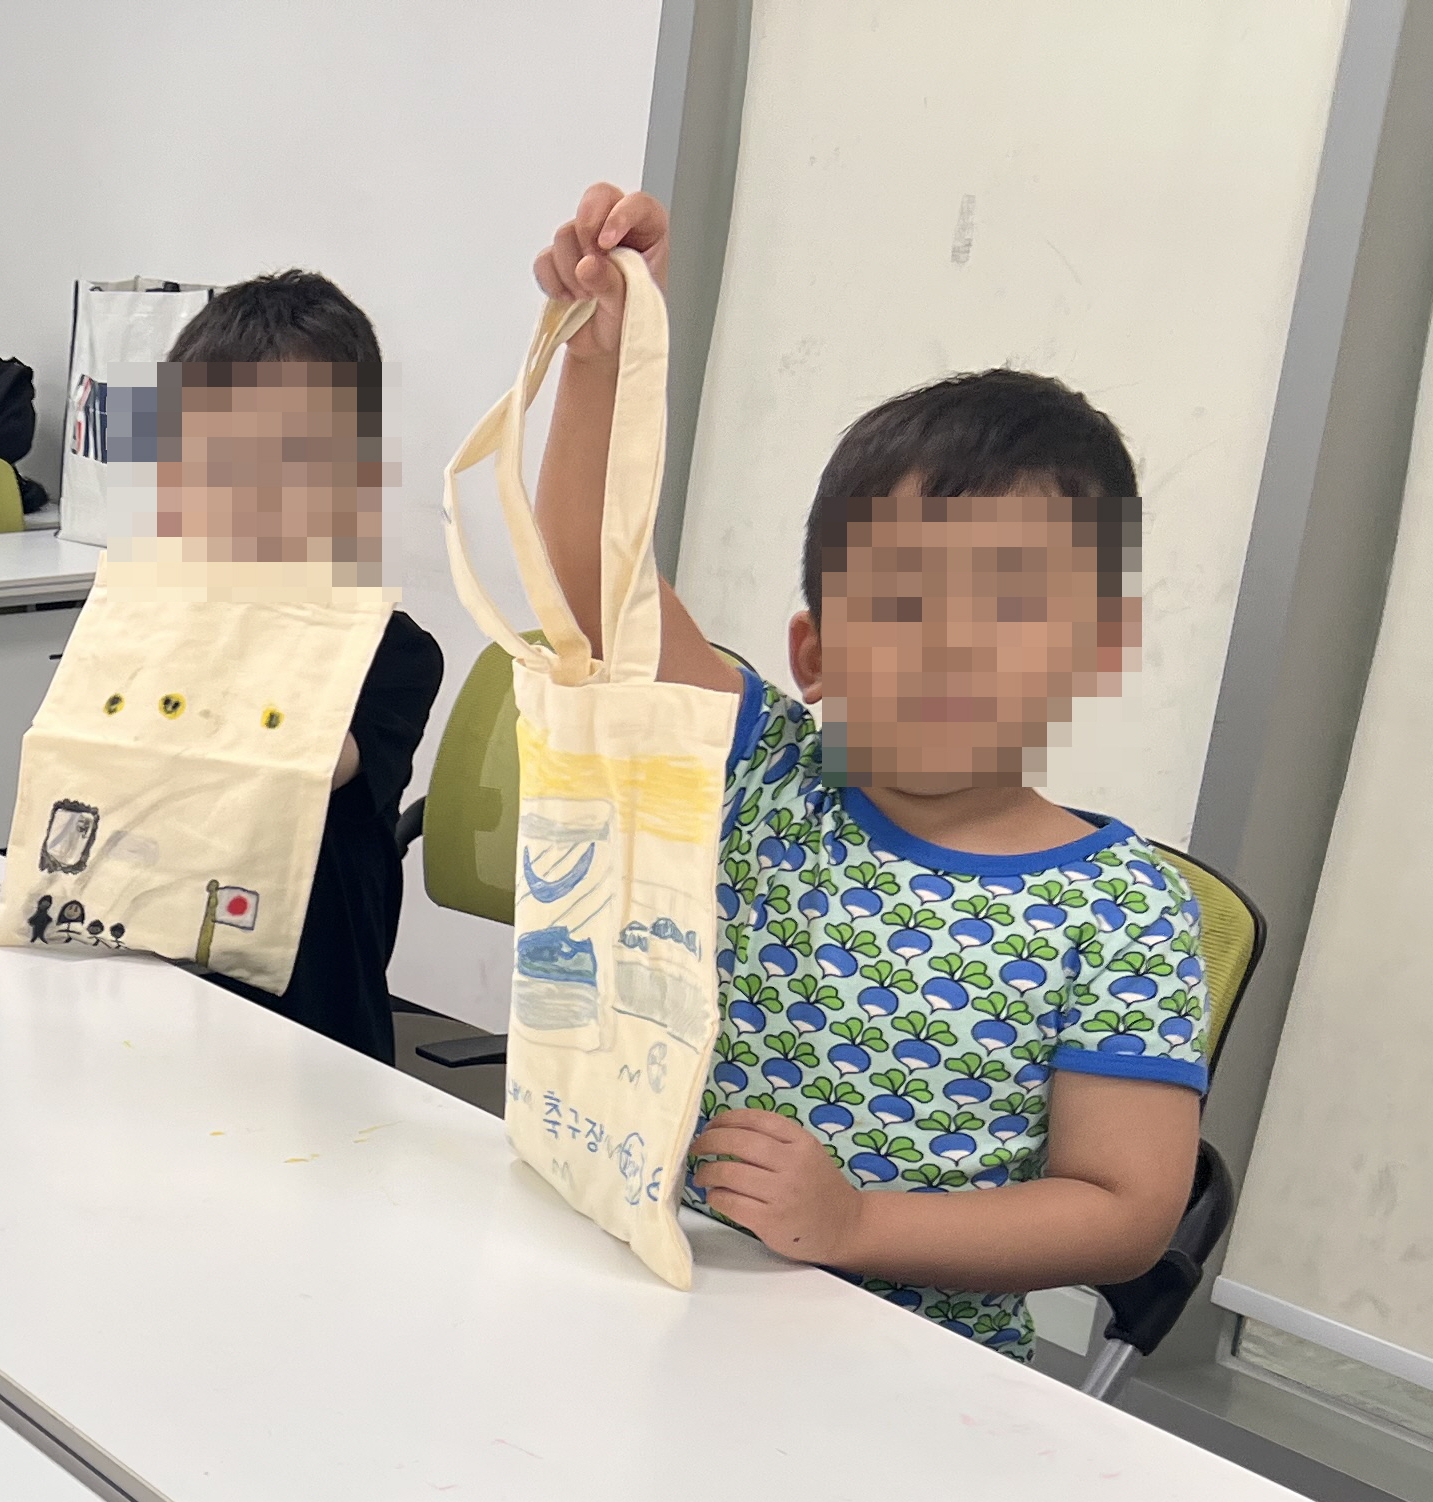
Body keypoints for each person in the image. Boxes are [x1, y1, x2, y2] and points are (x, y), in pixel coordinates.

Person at [528, 186, 1206, 1355]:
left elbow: (1125, 1212)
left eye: (1011, 607)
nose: (951, 646)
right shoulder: (762, 769)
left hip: (915, 1374)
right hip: (661, 1298)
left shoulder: (1124, 913)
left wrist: (856, 1224)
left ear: (1096, 652)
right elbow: (593, 587)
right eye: (901, 603)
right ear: (815, 655)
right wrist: (602, 363)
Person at [151, 270, 447, 1065]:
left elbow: (295, 763)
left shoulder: (391, 650)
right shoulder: (151, 626)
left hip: (311, 1025)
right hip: (159, 992)